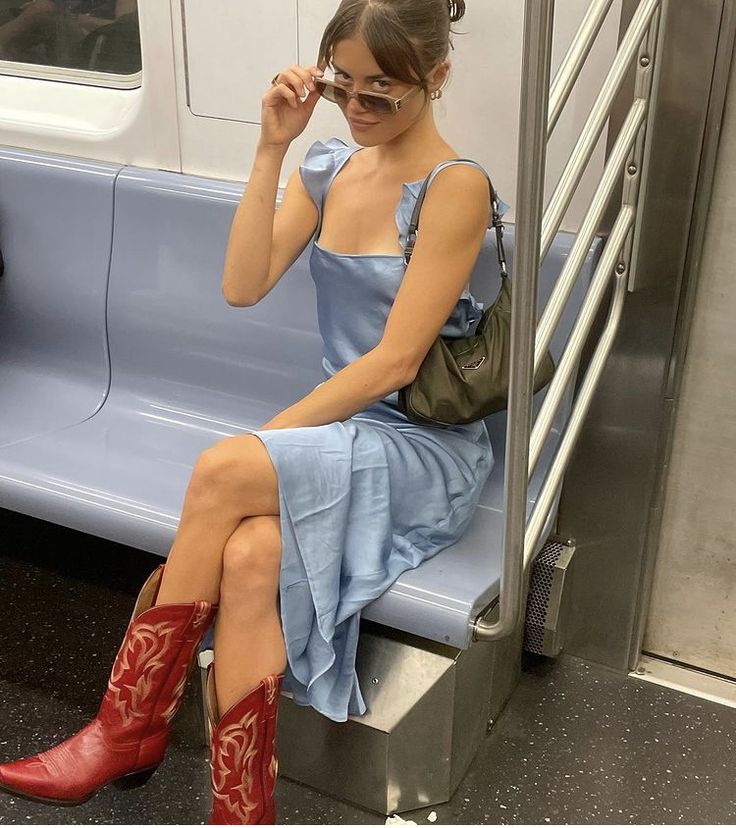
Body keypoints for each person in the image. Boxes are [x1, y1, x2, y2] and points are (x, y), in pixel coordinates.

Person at [0, 0, 502, 823]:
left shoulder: (455, 188)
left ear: (436, 77)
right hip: (341, 435)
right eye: (343, 85)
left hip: (423, 447)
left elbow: (395, 363)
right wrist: (273, 145)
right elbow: (243, 283)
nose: (359, 106)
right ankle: (241, 811)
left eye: (382, 90)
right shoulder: (331, 167)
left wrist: (260, 447)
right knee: (248, 555)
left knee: (224, 470)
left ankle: (125, 729)